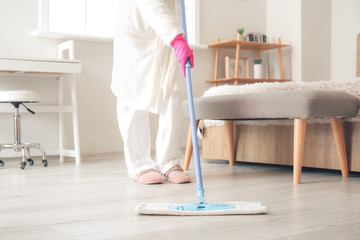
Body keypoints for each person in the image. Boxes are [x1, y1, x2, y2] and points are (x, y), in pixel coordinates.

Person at [111, 0, 194, 184]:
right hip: (136, 34)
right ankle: (140, 163)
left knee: (171, 91)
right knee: (132, 94)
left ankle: (169, 161)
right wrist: (176, 38)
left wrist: (175, 37)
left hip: (164, 36)